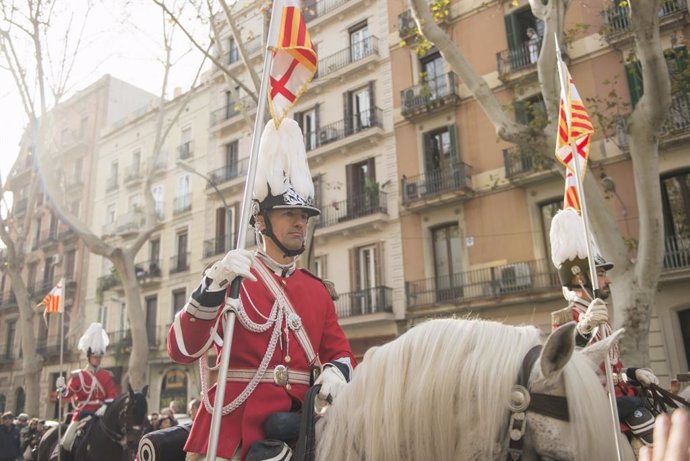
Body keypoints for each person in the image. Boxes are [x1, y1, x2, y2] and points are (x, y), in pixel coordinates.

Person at [168, 119, 356, 461]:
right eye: (289, 214)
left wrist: (336, 371)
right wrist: (212, 284)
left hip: (302, 427)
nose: (301, 222)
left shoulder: (317, 292)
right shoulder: (231, 277)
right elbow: (181, 348)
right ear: (260, 221)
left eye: (304, 215)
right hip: (234, 427)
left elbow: (341, 353)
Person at [550, 208, 659, 445]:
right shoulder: (569, 316)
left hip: (619, 396)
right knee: (652, 436)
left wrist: (632, 374)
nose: (607, 279)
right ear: (581, 279)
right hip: (594, 405)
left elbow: (611, 369)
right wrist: (584, 329)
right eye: (600, 274)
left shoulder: (599, 314)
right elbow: (566, 362)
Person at [57, 322, 119, 452]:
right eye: (95, 357)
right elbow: (68, 394)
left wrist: (104, 407)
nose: (97, 359)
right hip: (82, 414)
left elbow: (112, 394)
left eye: (99, 357)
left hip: (101, 415)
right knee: (66, 442)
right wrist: (62, 388)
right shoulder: (79, 375)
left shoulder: (106, 376)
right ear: (89, 357)